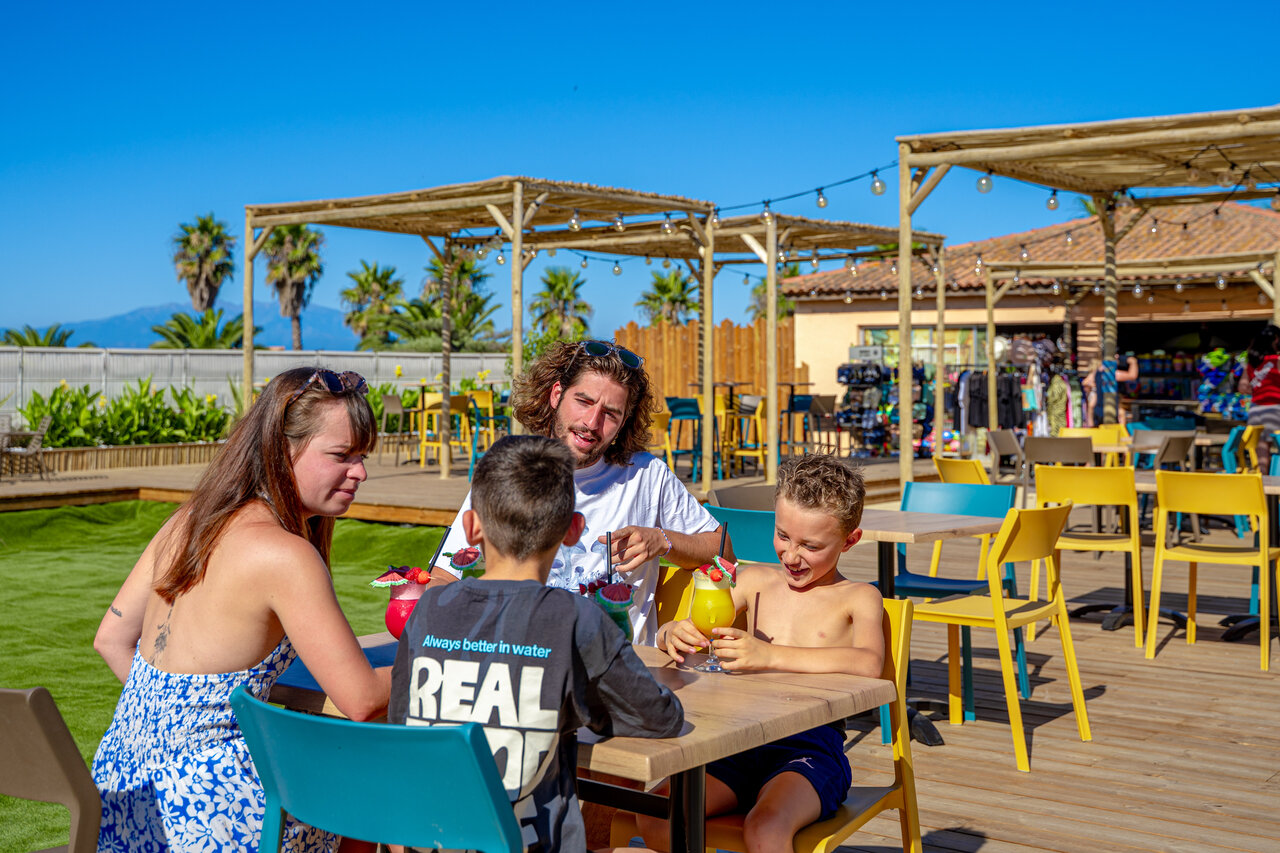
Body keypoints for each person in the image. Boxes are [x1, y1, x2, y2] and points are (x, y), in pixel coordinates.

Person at [92, 367, 392, 853]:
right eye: (342, 455)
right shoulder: (285, 555)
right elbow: (361, 700)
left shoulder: (187, 522)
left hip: (125, 799)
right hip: (217, 813)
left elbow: (110, 639)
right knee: (368, 786)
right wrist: (431, 660)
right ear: (281, 449)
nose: (360, 472)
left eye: (362, 457)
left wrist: (181, 722)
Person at [391, 434, 684, 852]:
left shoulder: (428, 609)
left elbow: (404, 723)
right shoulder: (576, 620)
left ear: (471, 527)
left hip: (432, 838)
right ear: (573, 531)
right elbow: (662, 718)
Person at [643, 454, 884, 853]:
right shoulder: (754, 580)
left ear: (850, 540)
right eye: (783, 536)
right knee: (657, 812)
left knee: (766, 828)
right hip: (735, 742)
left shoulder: (859, 597)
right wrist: (673, 632)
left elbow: (869, 664)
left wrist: (769, 656)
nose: (791, 555)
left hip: (809, 750)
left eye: (810, 545)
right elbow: (698, 634)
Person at [433, 340, 726, 645]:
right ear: (556, 394)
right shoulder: (511, 470)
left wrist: (663, 540)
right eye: (584, 401)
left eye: (611, 413)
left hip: (616, 675)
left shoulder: (646, 475)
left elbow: (722, 549)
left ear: (624, 421)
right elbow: (442, 577)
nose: (592, 423)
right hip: (527, 662)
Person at [1246, 324, 1280, 470]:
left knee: (1261, 452)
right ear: (1275, 340)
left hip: (1255, 410)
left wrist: (1258, 384)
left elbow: (1243, 387)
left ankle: (1262, 488)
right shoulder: (1277, 359)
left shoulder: (1252, 362)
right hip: (1274, 409)